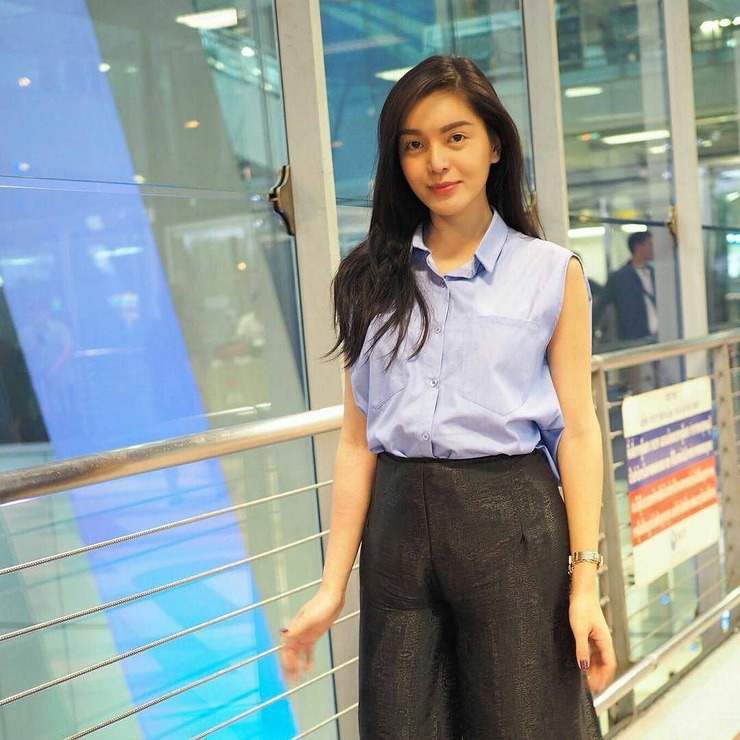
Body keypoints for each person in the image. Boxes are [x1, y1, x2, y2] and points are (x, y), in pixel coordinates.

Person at [280, 55, 616, 739]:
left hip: (511, 523)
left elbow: (579, 432)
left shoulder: (551, 272)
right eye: (414, 144)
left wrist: (586, 583)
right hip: (398, 531)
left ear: (494, 145)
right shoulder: (367, 278)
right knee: (400, 725)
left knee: (525, 722)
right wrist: (331, 587)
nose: (435, 161)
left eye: (455, 137)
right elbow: (357, 441)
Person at [593, 230, 659, 391]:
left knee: (660, 385)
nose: (654, 248)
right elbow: (599, 307)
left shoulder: (657, 274)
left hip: (659, 339)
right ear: (638, 247)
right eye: (650, 244)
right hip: (635, 343)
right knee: (639, 386)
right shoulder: (620, 278)